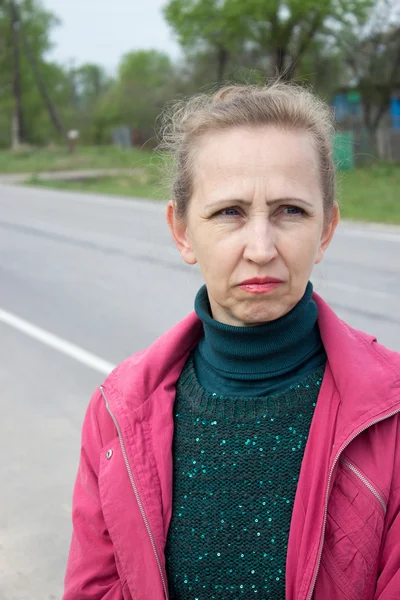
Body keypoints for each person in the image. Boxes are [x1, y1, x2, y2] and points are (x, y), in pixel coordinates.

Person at [63, 82, 400, 600]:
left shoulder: (392, 415)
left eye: (291, 210)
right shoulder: (117, 411)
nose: (261, 248)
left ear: (327, 228)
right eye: (229, 212)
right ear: (181, 231)